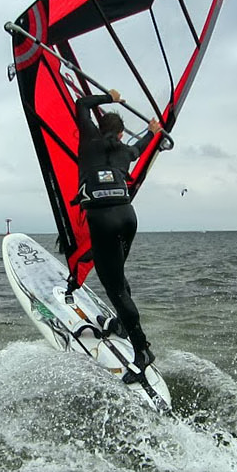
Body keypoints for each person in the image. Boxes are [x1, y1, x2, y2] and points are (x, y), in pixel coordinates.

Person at [74, 88, 162, 382]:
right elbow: (141, 148)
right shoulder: (126, 151)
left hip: (104, 220)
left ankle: (142, 351)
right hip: (127, 217)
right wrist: (152, 131)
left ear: (100, 129)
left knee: (116, 288)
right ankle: (124, 327)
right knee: (117, 274)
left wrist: (108, 98)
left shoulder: (89, 140)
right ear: (122, 135)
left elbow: (81, 103)